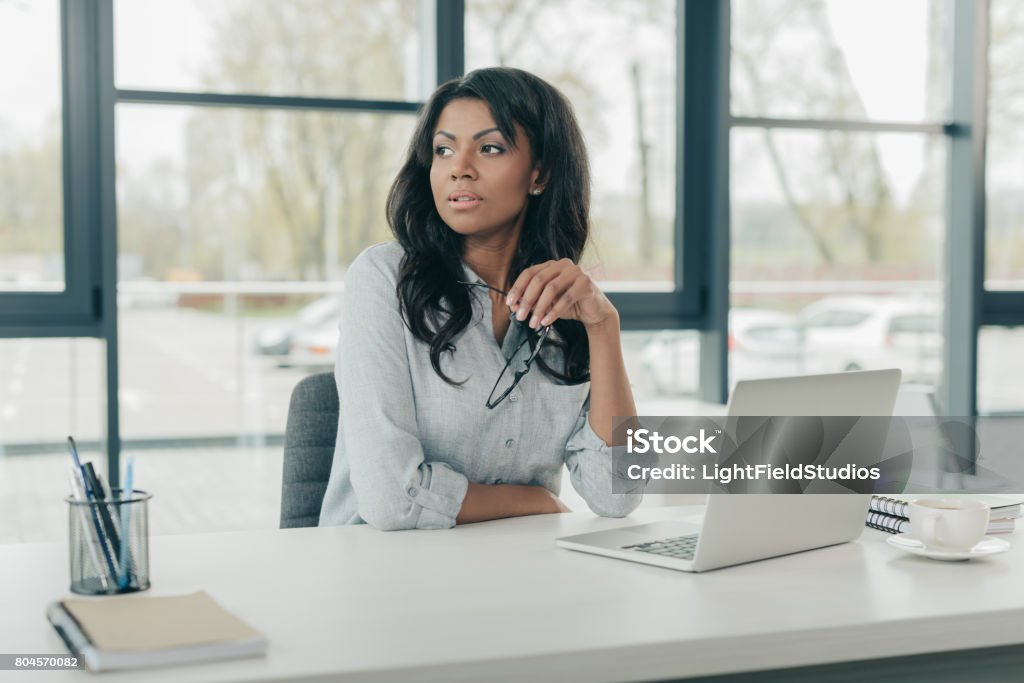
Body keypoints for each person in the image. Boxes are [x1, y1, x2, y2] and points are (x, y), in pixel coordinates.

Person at [318, 67, 644, 531]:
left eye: (489, 148)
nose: (459, 167)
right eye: (444, 149)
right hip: (380, 574)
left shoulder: (562, 302)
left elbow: (620, 494)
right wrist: (535, 499)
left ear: (540, 174)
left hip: (510, 572)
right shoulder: (382, 278)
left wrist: (602, 326)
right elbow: (393, 501)